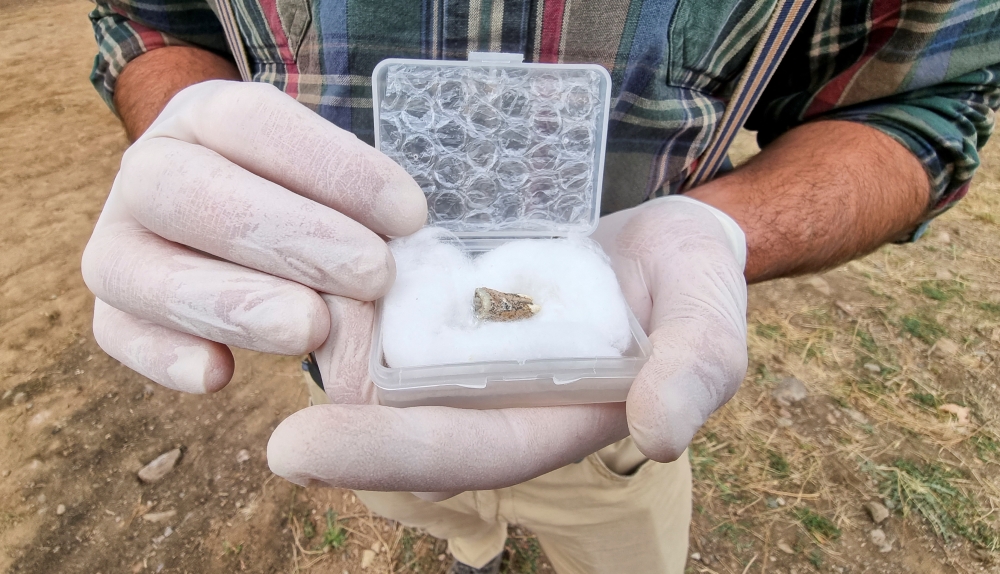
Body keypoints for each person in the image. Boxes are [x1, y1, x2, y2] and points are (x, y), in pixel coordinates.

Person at [82, 1, 1000, 572]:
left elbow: (928, 98)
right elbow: (156, 21)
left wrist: (721, 226)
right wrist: (186, 129)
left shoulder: (571, 296)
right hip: (364, 364)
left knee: (623, 535)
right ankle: (473, 552)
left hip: (615, 407)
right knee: (420, 497)